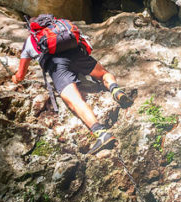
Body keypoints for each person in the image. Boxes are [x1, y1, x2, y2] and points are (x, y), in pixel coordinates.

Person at [11, 21, 132, 155]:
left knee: (75, 101)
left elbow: (21, 75)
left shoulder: (31, 40)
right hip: (77, 54)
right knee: (104, 74)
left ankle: (101, 133)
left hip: (57, 65)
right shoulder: (61, 28)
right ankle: (115, 90)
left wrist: (15, 78)